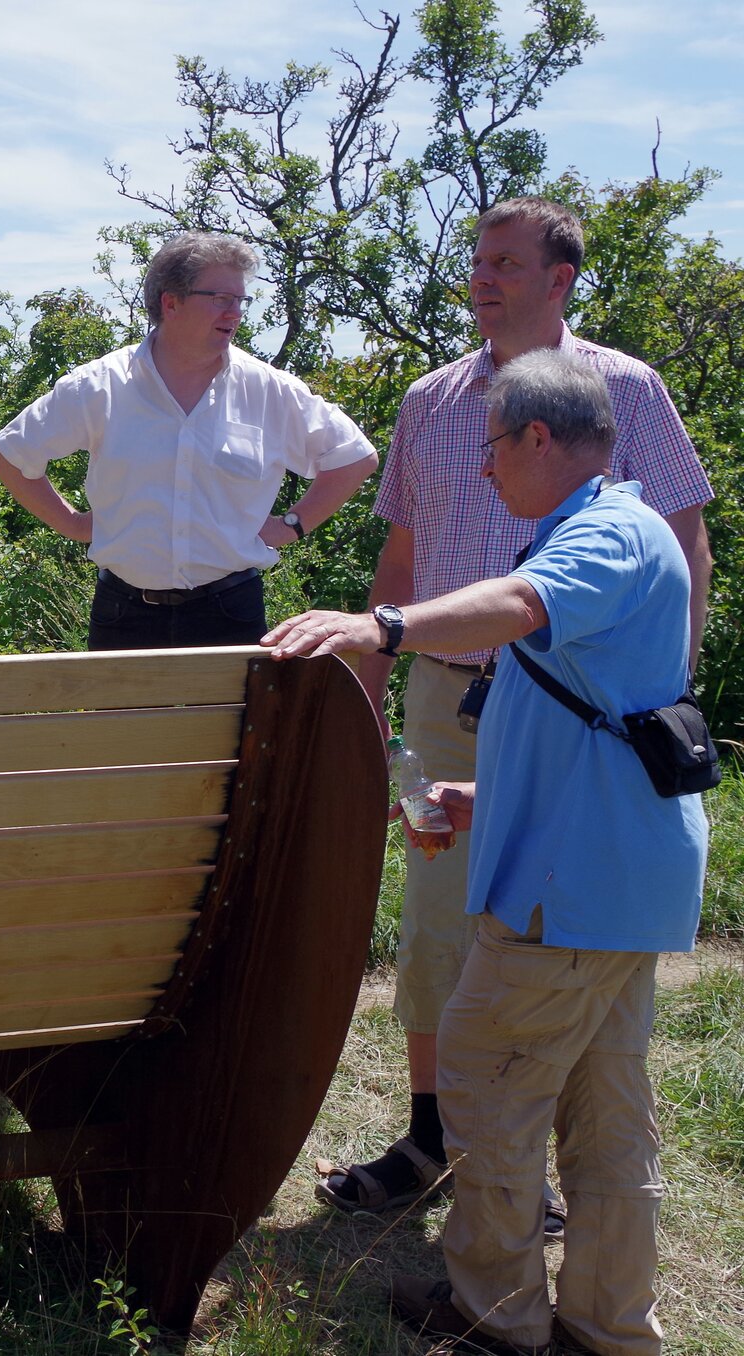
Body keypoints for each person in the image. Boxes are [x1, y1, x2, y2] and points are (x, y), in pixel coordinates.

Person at [265, 349, 706, 1356]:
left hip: (569, 886)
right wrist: (480, 793)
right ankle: (602, 1327)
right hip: (614, 876)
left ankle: (496, 1321)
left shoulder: (596, 536)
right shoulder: (615, 528)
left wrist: (377, 627)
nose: (481, 468)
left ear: (538, 439)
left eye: (492, 445)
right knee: (603, 1115)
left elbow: (515, 607)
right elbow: (593, 709)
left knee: (481, 1083)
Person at [321, 198, 713, 1225]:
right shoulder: (429, 400)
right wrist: (373, 693)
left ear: (560, 278)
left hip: (583, 712)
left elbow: (683, 538)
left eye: (504, 262)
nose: (481, 277)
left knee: (553, 925)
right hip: (448, 693)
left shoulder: (621, 389)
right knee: (440, 924)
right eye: (475, 260)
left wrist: (663, 689)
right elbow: (398, 559)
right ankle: (430, 1139)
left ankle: (521, 1171)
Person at [0, 232, 376, 649]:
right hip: (123, 615)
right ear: (171, 302)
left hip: (231, 611)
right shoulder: (100, 386)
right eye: (221, 298)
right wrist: (74, 524)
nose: (235, 312)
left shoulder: (267, 389)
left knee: (228, 720)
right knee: (122, 717)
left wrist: (292, 525)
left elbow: (354, 458)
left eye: (241, 300)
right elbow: (7, 456)